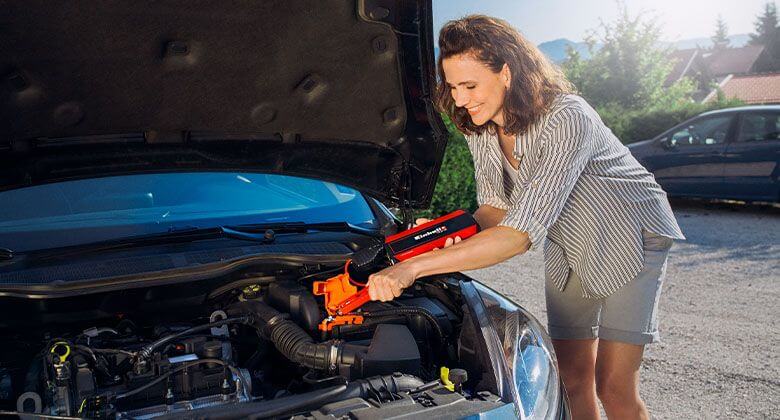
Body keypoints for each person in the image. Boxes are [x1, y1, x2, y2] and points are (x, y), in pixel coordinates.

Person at [365, 14, 684, 420]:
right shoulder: (479, 124)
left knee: (613, 386)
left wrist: (414, 268)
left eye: (470, 85)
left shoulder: (567, 116)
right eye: (453, 86)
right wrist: (434, 238)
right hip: (569, 239)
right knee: (570, 377)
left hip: (631, 234)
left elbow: (518, 235)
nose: (460, 99)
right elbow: (496, 209)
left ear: (507, 73)